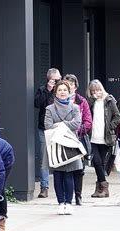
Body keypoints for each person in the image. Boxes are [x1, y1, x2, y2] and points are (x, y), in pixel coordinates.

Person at [44, 80, 81, 215]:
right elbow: (48, 125)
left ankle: (69, 203)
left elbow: (76, 124)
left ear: (69, 91)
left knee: (69, 175)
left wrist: (59, 124)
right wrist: (66, 125)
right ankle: (60, 203)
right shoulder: (49, 109)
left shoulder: (75, 107)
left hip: (70, 144)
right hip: (55, 144)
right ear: (56, 92)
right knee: (58, 175)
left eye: (65, 90)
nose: (62, 92)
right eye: (59, 90)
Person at [86, 79, 120, 198]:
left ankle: (100, 188)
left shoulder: (109, 100)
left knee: (100, 163)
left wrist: (111, 127)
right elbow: (84, 112)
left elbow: (117, 116)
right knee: (96, 162)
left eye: (98, 89)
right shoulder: (90, 102)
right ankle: (103, 187)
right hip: (93, 137)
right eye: (93, 91)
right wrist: (92, 99)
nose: (96, 92)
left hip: (105, 137)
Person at [64, 74, 92, 205]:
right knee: (65, 168)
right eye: (66, 84)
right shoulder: (58, 100)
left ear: (75, 86)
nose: (69, 86)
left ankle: (78, 195)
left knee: (79, 169)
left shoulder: (82, 101)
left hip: (78, 138)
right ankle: (66, 196)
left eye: (71, 84)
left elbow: (88, 121)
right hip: (63, 138)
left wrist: (77, 129)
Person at [34, 68, 61, 198]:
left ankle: (60, 186)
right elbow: (37, 103)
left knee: (60, 157)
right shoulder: (42, 89)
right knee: (45, 158)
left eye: (59, 79)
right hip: (44, 128)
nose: (57, 82)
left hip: (59, 128)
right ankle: (44, 187)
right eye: (55, 80)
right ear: (49, 79)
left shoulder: (62, 90)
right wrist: (48, 90)